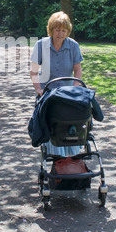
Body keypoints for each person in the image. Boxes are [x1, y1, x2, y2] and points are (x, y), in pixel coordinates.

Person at [30, 11, 84, 156]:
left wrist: (74, 89)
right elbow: (34, 72)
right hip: (48, 93)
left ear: (68, 31)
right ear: (51, 30)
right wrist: (39, 90)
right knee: (50, 123)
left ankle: (72, 155)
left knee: (72, 122)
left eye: (63, 30)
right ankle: (55, 155)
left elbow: (77, 70)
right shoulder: (41, 45)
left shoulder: (73, 46)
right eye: (57, 29)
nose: (60, 33)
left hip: (67, 93)